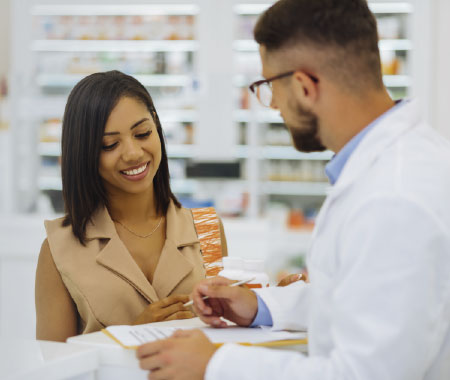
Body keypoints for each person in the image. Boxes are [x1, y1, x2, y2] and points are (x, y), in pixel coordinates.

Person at [136, 1, 450, 379]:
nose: (273, 108)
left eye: (268, 87)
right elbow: (364, 300)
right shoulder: (392, 165)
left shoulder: (395, 195)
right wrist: (259, 306)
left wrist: (216, 365)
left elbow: (368, 372)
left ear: (304, 85)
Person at [35, 70, 228, 342]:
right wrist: (132, 336)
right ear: (84, 153)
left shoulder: (207, 228)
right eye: (110, 144)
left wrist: (270, 303)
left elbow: (226, 333)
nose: (133, 153)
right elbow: (53, 365)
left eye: (142, 133)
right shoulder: (59, 248)